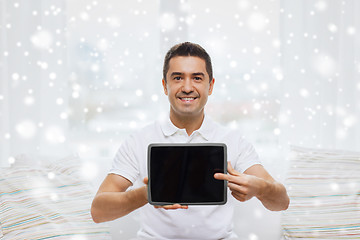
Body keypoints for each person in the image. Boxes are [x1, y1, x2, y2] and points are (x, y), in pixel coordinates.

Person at [91, 42, 289, 239]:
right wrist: (146, 194)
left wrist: (260, 188)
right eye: (178, 78)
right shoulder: (139, 141)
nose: (187, 87)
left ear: (210, 86)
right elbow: (98, 211)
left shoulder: (234, 141)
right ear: (164, 85)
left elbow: (282, 202)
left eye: (197, 78)